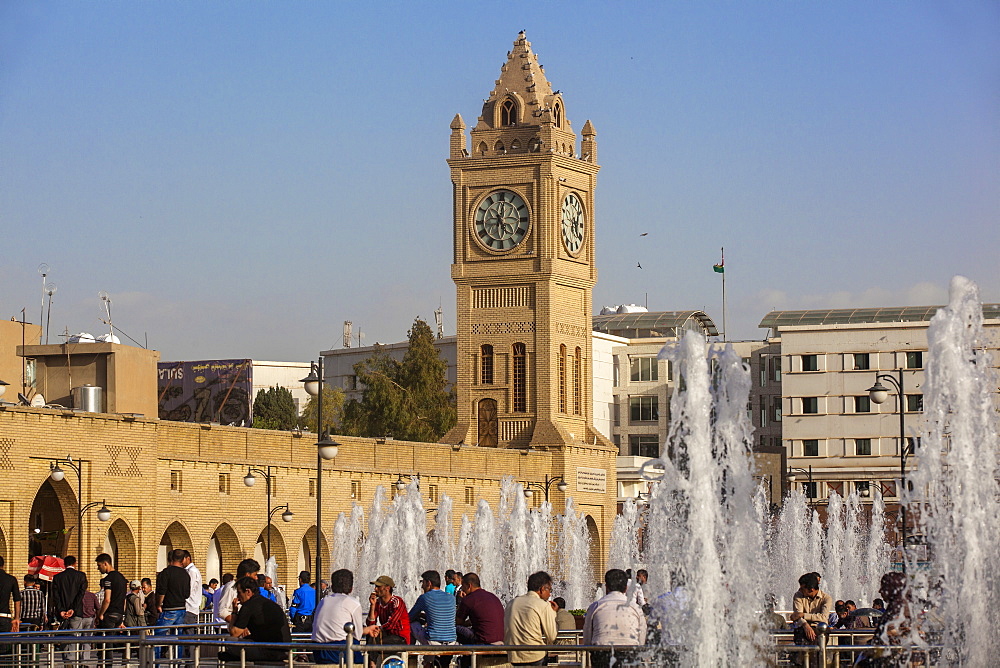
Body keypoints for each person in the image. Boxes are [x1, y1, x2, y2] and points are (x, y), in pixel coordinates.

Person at [218, 576, 291, 663]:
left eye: (239, 593)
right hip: (284, 649)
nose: (238, 596)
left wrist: (234, 612)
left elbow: (234, 633)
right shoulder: (267, 602)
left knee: (230, 642)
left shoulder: (248, 606)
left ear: (248, 592)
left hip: (268, 650)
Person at [583, 569, 646, 668]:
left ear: (606, 587)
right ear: (625, 588)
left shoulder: (595, 606)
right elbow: (642, 637)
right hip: (629, 654)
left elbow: (587, 638)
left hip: (602, 655)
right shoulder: (635, 608)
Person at [311, 569, 365, 664]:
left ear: (332, 586)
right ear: (351, 588)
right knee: (364, 657)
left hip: (318, 649)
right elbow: (358, 635)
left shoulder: (324, 601)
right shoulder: (353, 603)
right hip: (339, 650)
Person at [504, 571, 557, 667]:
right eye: (549, 590)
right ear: (542, 589)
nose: (550, 594)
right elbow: (552, 636)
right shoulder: (543, 605)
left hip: (514, 655)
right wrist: (553, 613)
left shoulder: (512, 603)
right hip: (535, 654)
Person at [364, 574, 410, 667]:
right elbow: (370, 623)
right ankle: (371, 663)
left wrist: (377, 629)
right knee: (370, 634)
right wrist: (372, 606)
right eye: (375, 587)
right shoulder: (378, 603)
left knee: (375, 639)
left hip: (400, 638)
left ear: (387, 588)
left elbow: (391, 624)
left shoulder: (397, 601)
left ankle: (372, 664)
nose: (375, 589)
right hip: (386, 636)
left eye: (378, 587)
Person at [52, 555, 90, 665]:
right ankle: (73, 661)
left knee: (64, 635)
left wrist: (61, 610)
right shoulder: (81, 576)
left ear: (64, 564)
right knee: (74, 635)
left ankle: (67, 660)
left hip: (62, 612)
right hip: (76, 612)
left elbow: (56, 596)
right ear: (75, 563)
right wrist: (73, 608)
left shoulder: (58, 577)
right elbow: (80, 594)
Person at [154, 549, 192, 656]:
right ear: (183, 559)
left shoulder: (165, 573)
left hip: (169, 609)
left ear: (171, 558)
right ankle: (177, 662)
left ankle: (156, 663)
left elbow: (161, 592)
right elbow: (187, 594)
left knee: (158, 636)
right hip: (181, 609)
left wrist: (158, 605)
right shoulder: (186, 574)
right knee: (178, 637)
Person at [409, 570, 457, 645]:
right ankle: (430, 657)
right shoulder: (452, 598)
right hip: (452, 641)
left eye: (423, 583)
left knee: (412, 624)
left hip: (433, 642)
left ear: (429, 583)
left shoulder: (424, 597)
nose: (422, 586)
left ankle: (410, 654)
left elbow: (410, 617)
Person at [455, 572, 504, 645]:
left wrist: (460, 601)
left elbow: (457, 622)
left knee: (452, 628)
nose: (462, 590)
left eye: (463, 587)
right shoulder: (492, 596)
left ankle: (446, 654)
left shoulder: (469, 599)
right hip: (500, 639)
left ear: (469, 586)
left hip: (482, 641)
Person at [789, 572, 833, 653]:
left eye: (802, 588)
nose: (800, 590)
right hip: (803, 628)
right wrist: (805, 625)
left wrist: (803, 615)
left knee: (815, 643)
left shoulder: (826, 598)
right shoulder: (798, 595)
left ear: (811, 590)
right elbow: (797, 615)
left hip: (820, 629)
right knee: (801, 644)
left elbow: (823, 617)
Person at [214, 560, 259, 626]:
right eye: (255, 575)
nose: (256, 578)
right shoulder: (231, 587)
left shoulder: (252, 588)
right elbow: (222, 611)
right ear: (247, 574)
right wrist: (239, 624)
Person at [95, 553, 127, 629]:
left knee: (104, 638)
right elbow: (124, 599)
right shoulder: (122, 578)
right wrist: (122, 616)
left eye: (99, 565)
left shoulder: (108, 579)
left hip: (110, 614)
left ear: (105, 564)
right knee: (114, 639)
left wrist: (100, 614)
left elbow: (107, 599)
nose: (98, 568)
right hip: (119, 614)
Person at [0, 556, 22, 659]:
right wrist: (16, 618)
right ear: (3, 566)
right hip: (5, 617)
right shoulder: (11, 579)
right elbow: (17, 600)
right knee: (4, 648)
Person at [181, 550, 203, 636]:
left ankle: (191, 649)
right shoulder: (190, 570)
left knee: (188, 634)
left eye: (182, 559)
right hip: (190, 607)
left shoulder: (192, 571)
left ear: (188, 558)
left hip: (189, 606)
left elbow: (189, 588)